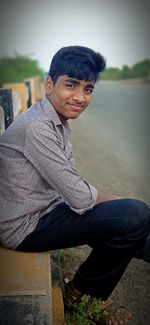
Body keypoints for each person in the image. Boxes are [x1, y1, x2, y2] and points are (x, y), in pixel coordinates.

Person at [0, 45, 150, 325]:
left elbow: (72, 186)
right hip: (25, 226)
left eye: (89, 89)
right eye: (71, 85)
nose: (81, 97)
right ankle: (81, 292)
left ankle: (89, 291)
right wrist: (119, 203)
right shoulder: (37, 128)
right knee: (135, 214)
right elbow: (80, 197)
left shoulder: (56, 121)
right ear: (48, 84)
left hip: (46, 210)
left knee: (135, 226)